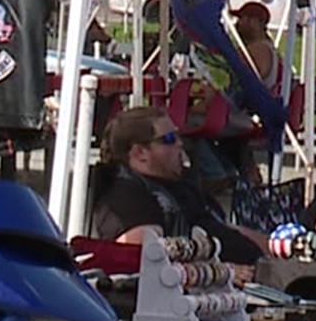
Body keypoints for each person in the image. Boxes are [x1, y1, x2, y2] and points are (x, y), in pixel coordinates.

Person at [90, 106, 268, 265]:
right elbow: (141, 262)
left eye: (177, 135)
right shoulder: (128, 195)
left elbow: (224, 228)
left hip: (257, 270)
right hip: (218, 290)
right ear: (140, 153)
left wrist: (277, 247)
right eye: (169, 138)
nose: (180, 143)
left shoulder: (182, 183)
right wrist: (219, 273)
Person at [230, 0, 284, 90]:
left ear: (255, 22)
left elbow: (239, 75)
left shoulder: (260, 49)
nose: (237, 24)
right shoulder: (266, 47)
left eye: (241, 18)